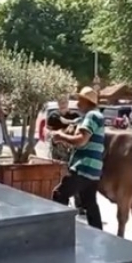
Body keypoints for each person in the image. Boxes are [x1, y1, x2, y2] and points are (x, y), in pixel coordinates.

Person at [48, 86, 105, 230]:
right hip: (93, 170)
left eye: (80, 100)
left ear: (86, 101)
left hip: (82, 166)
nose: (78, 103)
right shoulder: (95, 116)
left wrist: (61, 136)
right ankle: (99, 234)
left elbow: (81, 140)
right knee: (90, 204)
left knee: (59, 195)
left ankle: (60, 230)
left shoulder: (92, 116)